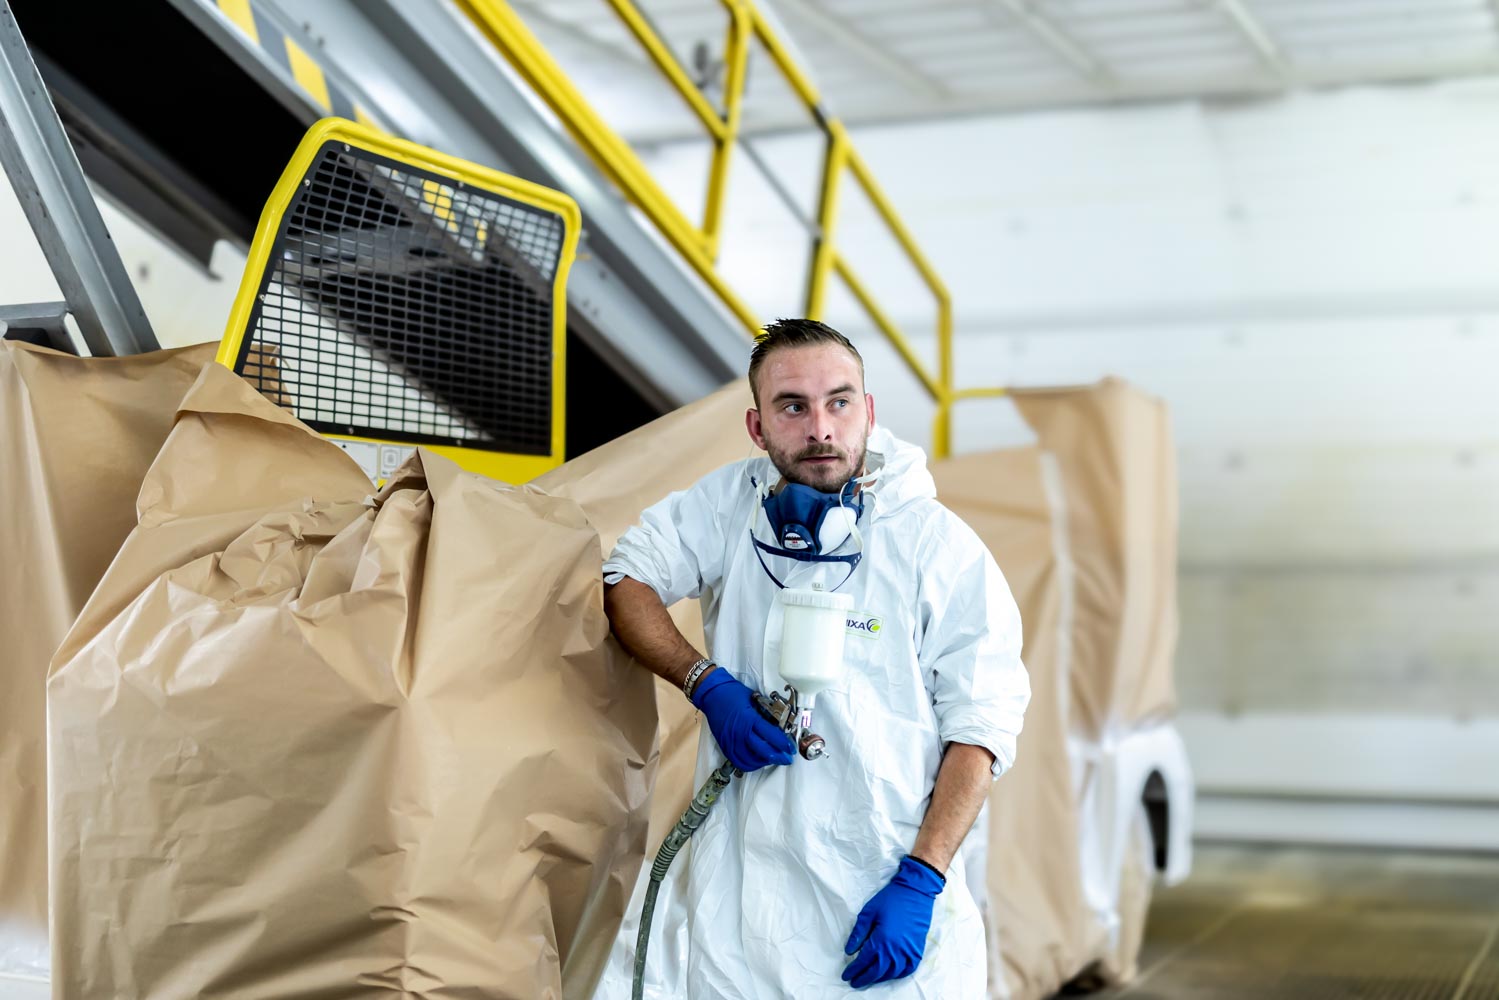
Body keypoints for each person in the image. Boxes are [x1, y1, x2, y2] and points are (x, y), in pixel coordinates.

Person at [603, 318, 1030, 998]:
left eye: (838, 401)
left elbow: (981, 726)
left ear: (867, 411)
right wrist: (704, 683)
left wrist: (921, 878)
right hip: (744, 902)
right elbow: (625, 579)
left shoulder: (934, 546)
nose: (820, 428)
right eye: (791, 406)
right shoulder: (728, 509)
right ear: (756, 426)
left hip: (882, 892)